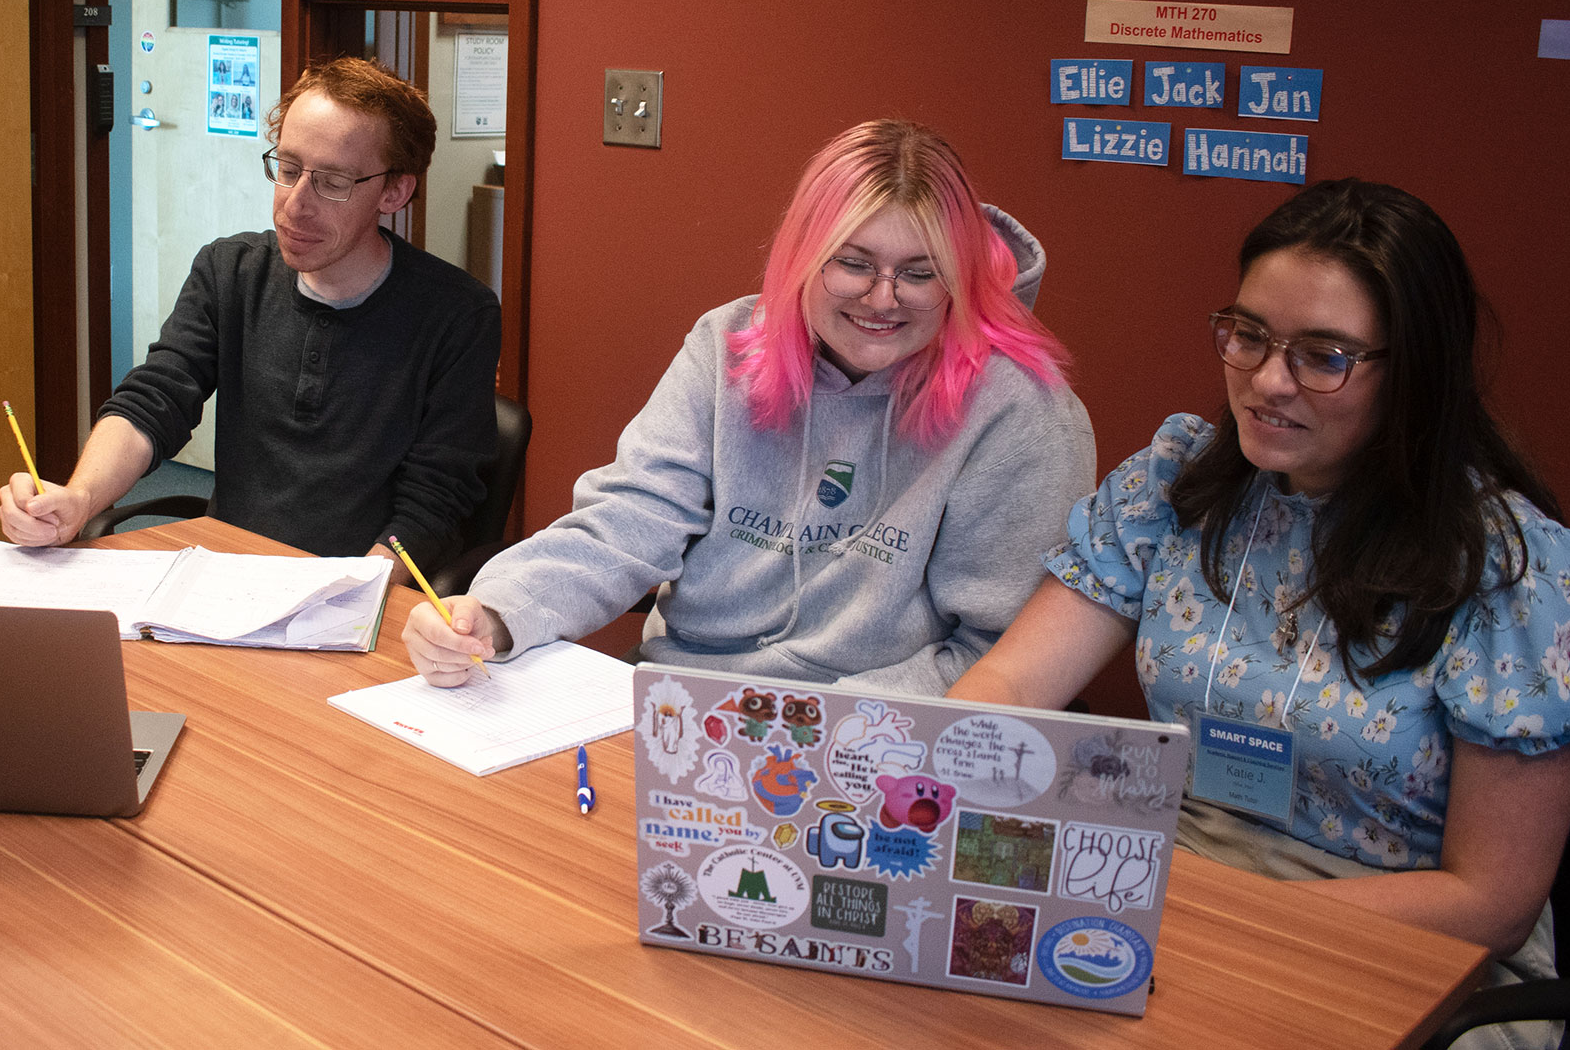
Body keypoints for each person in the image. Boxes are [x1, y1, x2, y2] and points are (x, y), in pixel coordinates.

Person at [949, 179, 1570, 1046]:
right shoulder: (1176, 486)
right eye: (1249, 336)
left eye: (1323, 356)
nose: (1268, 382)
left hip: (1403, 946)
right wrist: (944, 776)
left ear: (1414, 372)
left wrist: (1213, 915)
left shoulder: (1511, 571)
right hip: (1174, 888)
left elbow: (1489, 901)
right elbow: (1012, 681)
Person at [406, 119, 1093, 692]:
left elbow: (999, 654)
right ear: (802, 257)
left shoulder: (1021, 411)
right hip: (682, 693)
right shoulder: (728, 342)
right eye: (854, 263)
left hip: (874, 736)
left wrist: (817, 728)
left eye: (920, 273)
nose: (883, 299)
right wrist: (498, 611)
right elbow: (631, 520)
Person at [0, 56, 499, 581]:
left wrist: (357, 590)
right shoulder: (231, 271)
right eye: (288, 170)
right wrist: (79, 498)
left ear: (394, 191)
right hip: (229, 576)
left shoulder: (457, 315)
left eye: (332, 182)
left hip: (358, 589)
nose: (294, 205)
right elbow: (156, 399)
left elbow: (435, 500)